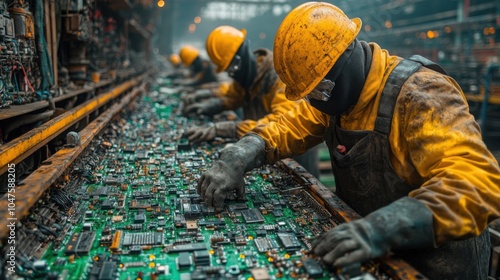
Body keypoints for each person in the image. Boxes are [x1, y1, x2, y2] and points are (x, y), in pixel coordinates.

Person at [196, 2, 500, 279]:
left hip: (435, 267)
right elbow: (290, 122)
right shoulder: (335, 97)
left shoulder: (422, 96)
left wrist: (379, 228)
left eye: (322, 91)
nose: (317, 105)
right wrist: (243, 151)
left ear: (351, 53)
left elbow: (477, 184)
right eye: (310, 95)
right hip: (372, 257)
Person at [183, 25, 319, 177]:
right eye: (228, 71)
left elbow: (282, 123)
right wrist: (214, 105)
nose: (232, 75)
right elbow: (234, 97)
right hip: (265, 150)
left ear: (241, 57)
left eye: (232, 69)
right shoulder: (246, 76)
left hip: (294, 156)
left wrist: (227, 128)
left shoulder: (278, 75)